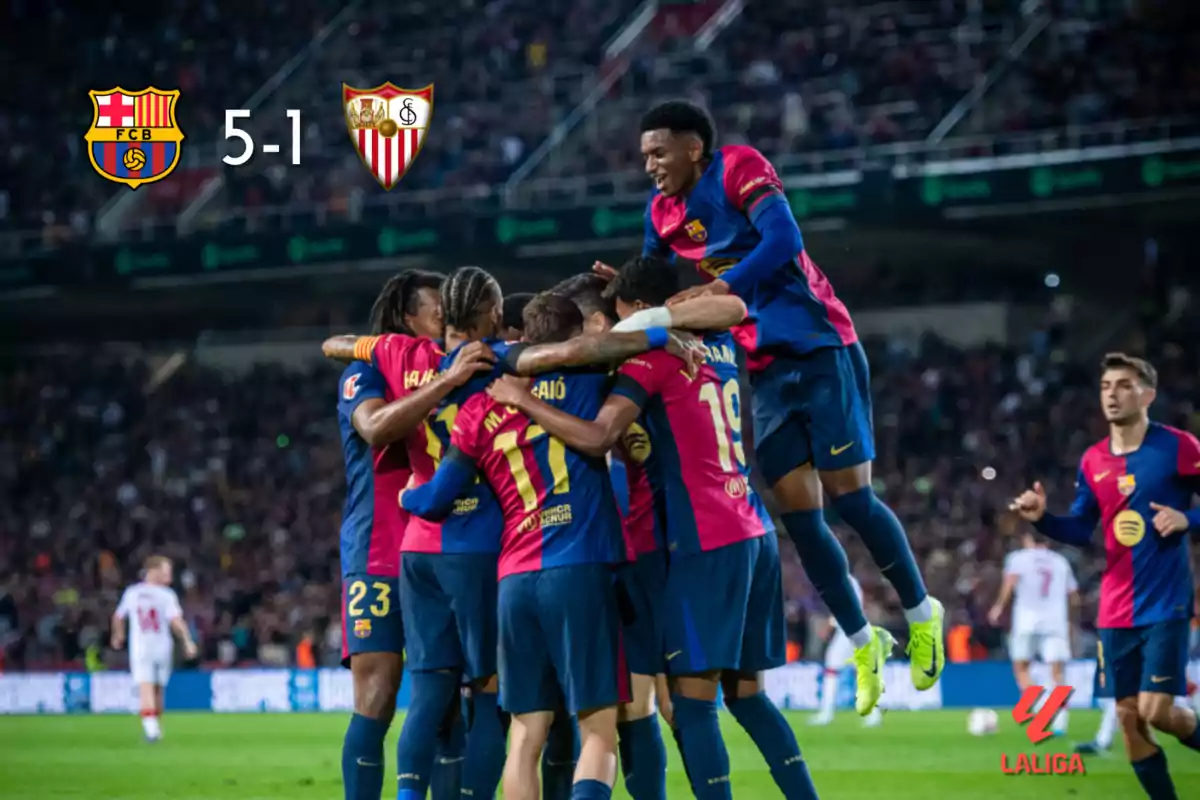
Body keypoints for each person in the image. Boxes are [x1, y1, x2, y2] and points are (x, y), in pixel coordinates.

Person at [596, 99, 942, 715]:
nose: (649, 165)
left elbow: (784, 239)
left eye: (657, 152)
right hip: (763, 368)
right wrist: (621, 287)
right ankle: (864, 642)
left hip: (820, 345)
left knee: (850, 499)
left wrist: (724, 287)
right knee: (801, 519)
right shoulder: (661, 210)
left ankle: (921, 611)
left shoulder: (738, 168)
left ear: (693, 147)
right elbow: (657, 280)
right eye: (644, 154)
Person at [335, 265, 699, 799]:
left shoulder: (465, 395)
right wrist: (658, 330)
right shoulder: (545, 376)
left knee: (501, 722)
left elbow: (339, 349)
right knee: (592, 722)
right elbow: (574, 367)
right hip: (556, 560)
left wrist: (412, 495)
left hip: (489, 568)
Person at [489, 255, 823, 800]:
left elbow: (598, 433)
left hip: (694, 541)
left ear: (637, 314)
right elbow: (735, 305)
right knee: (741, 697)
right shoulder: (718, 342)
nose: (606, 329)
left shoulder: (646, 362)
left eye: (614, 316)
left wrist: (524, 393)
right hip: (750, 526)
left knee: (683, 706)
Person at [403, 292, 628, 800]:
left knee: (525, 735)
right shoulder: (590, 378)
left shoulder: (479, 408)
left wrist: (408, 495)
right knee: (598, 729)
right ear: (575, 338)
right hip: (580, 564)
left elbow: (438, 498)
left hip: (514, 579)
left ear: (523, 338)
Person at [1010, 352, 1200, 800]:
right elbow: (1080, 528)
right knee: (1129, 721)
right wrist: (1042, 519)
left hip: (1165, 601)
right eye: (1106, 387)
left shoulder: (1179, 447)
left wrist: (1188, 518)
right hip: (1115, 609)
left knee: (1156, 710)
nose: (1112, 395)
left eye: (1124, 385)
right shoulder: (1093, 459)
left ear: (1147, 395)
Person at [333, 270, 473, 800]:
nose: (447, 320)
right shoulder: (365, 371)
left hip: (441, 545)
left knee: (444, 699)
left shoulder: (449, 364)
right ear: (407, 317)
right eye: (438, 312)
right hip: (378, 548)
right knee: (378, 693)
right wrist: (446, 383)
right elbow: (374, 428)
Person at [987, 531, 1079, 737]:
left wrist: (999, 607)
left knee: (1021, 668)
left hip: (1026, 622)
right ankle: (1060, 722)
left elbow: (1009, 583)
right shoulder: (1061, 561)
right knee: (1057, 673)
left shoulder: (1018, 558)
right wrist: (1070, 621)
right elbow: (1073, 596)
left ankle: (1039, 707)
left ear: (1027, 538)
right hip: (1056, 621)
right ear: (1047, 540)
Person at [111, 555, 198, 742]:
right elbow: (176, 621)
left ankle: (152, 728)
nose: (169, 575)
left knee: (152, 688)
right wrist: (187, 641)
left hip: (146, 647)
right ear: (153, 571)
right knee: (152, 688)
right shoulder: (166, 595)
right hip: (157, 647)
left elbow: (118, 616)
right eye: (166, 571)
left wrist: (118, 635)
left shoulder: (132, 593)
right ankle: (152, 730)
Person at [811, 575, 882, 728]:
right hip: (855, 628)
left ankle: (826, 713)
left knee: (833, 668)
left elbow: (844, 606)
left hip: (849, 630)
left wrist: (829, 625)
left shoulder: (840, 579)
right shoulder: (846, 578)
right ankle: (872, 714)